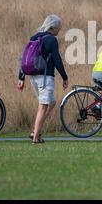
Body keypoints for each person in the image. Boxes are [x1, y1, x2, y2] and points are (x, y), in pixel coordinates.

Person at [17, 15, 68, 144]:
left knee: (51, 103)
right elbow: (57, 60)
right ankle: (35, 138)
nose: (59, 30)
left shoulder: (34, 37)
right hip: (45, 77)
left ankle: (35, 131)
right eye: (59, 28)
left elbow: (25, 58)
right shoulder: (51, 39)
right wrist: (64, 77)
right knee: (43, 106)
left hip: (33, 76)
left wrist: (21, 77)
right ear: (53, 27)